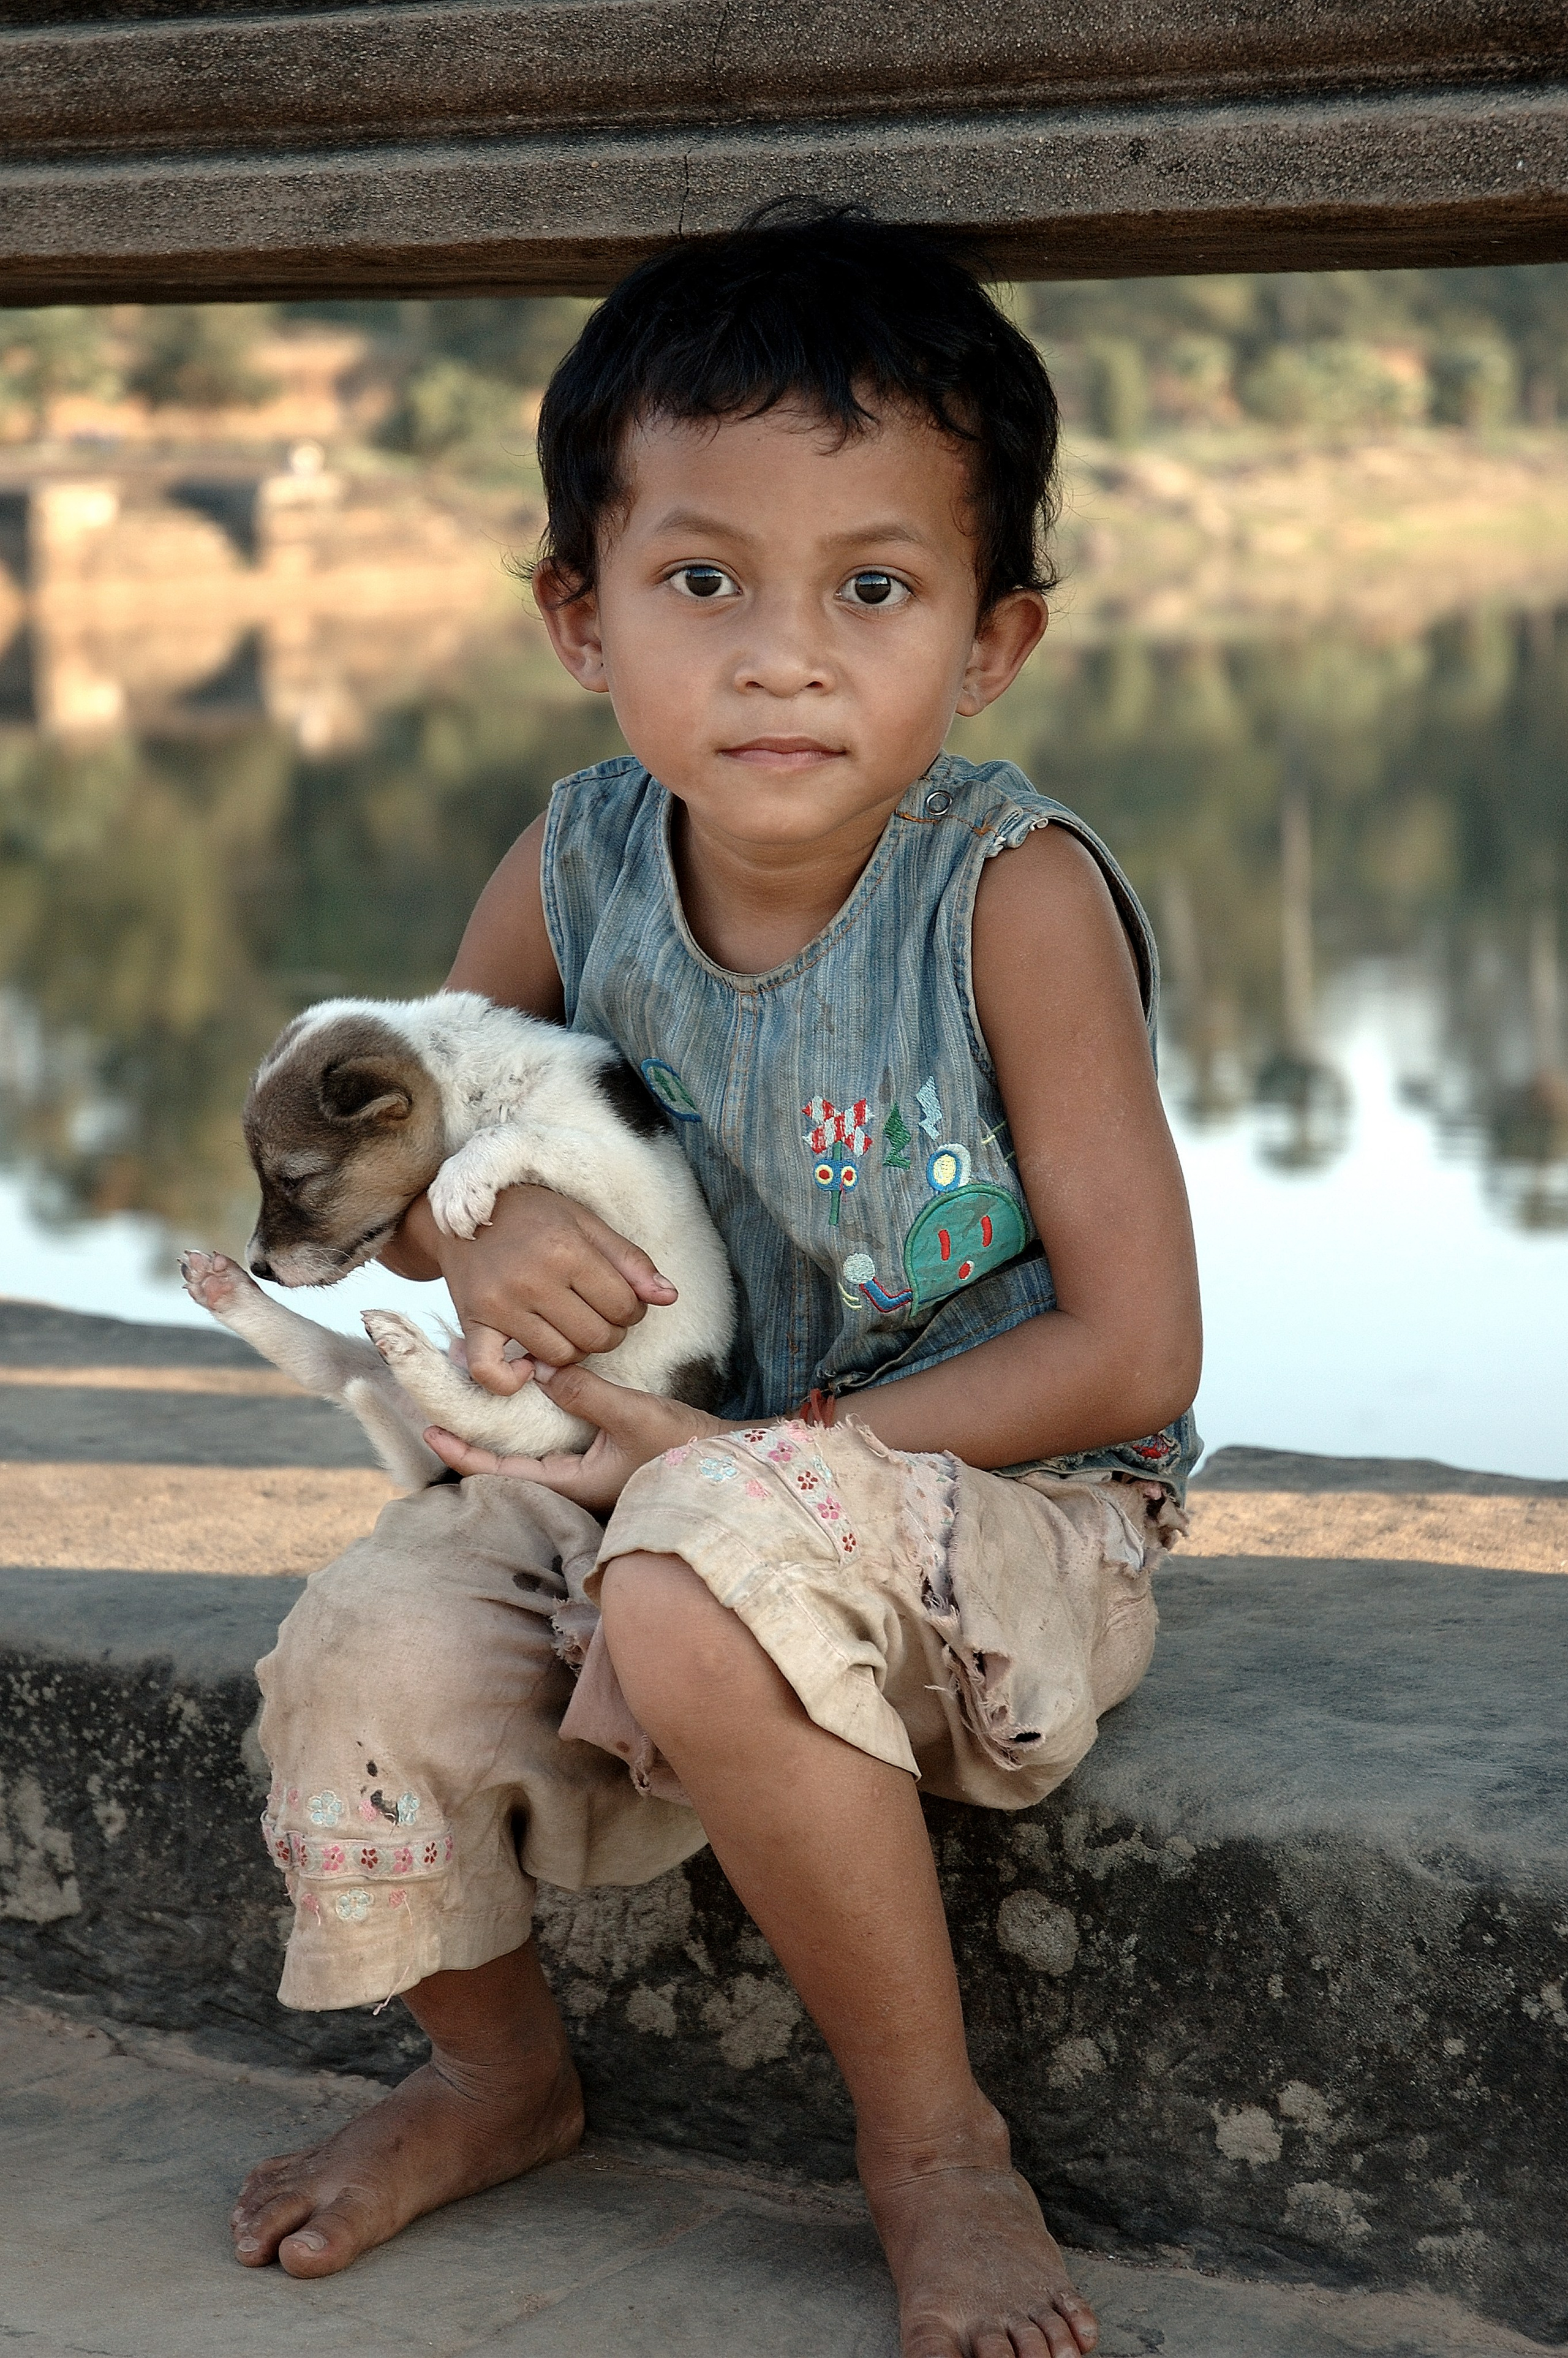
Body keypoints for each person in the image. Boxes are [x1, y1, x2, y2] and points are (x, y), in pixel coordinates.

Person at [230, 205, 1202, 2358]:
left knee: (692, 1568)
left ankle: (935, 2143)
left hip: (996, 1504)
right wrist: (464, 1223)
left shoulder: (1009, 901)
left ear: (991, 638)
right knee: (360, 1638)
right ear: (581, 616)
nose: (785, 653)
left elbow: (1135, 1347)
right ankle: (497, 2073)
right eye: (703, 581)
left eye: (874, 585)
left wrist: (758, 1462)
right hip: (633, 1479)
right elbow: (404, 1136)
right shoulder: (571, 862)